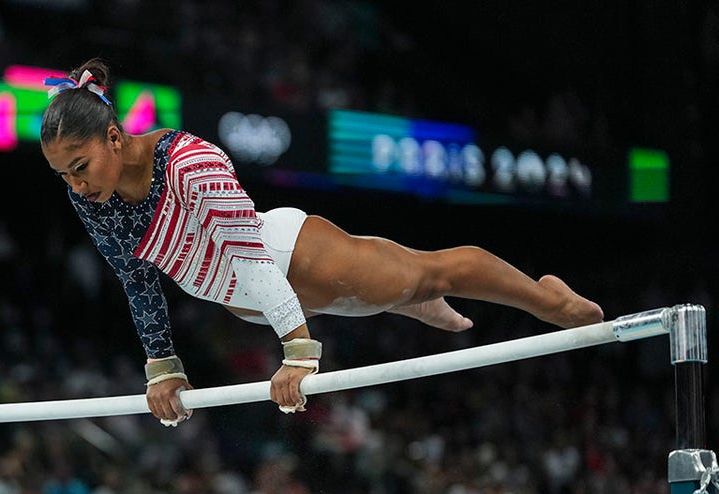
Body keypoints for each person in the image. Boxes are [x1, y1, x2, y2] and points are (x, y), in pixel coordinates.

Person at [40, 59, 603, 425]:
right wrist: (163, 365)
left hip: (289, 258)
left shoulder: (190, 163)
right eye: (64, 174)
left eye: (81, 166)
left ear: (115, 137)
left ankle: (547, 297)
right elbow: (135, 275)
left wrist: (299, 351)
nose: (76, 184)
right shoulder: (92, 196)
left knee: (432, 272)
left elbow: (249, 255)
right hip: (252, 301)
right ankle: (407, 299)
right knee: (391, 286)